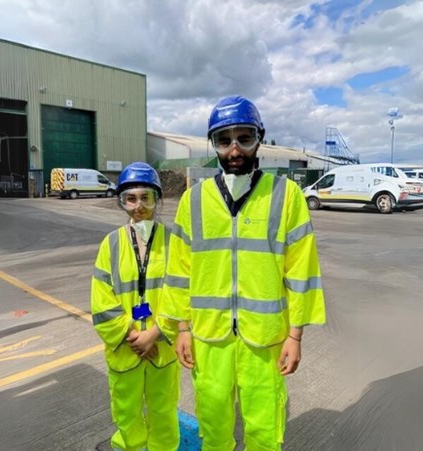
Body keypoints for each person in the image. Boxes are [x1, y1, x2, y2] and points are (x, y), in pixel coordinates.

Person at [158, 96, 326, 450]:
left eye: (244, 138)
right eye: (224, 140)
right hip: (209, 336)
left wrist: (295, 336)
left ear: (259, 139)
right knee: (214, 426)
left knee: (264, 431)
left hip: (264, 340)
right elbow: (179, 272)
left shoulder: (287, 196)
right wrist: (182, 329)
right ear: (214, 145)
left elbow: (302, 271)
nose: (234, 149)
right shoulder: (194, 200)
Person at [90, 162, 180, 451]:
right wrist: (133, 336)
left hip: (161, 347)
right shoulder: (111, 244)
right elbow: (102, 300)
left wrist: (155, 333)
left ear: (157, 199)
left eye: (146, 198)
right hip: (125, 348)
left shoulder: (174, 242)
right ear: (121, 202)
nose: (138, 206)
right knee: (126, 412)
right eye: (130, 199)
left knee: (163, 411)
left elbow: (180, 293)